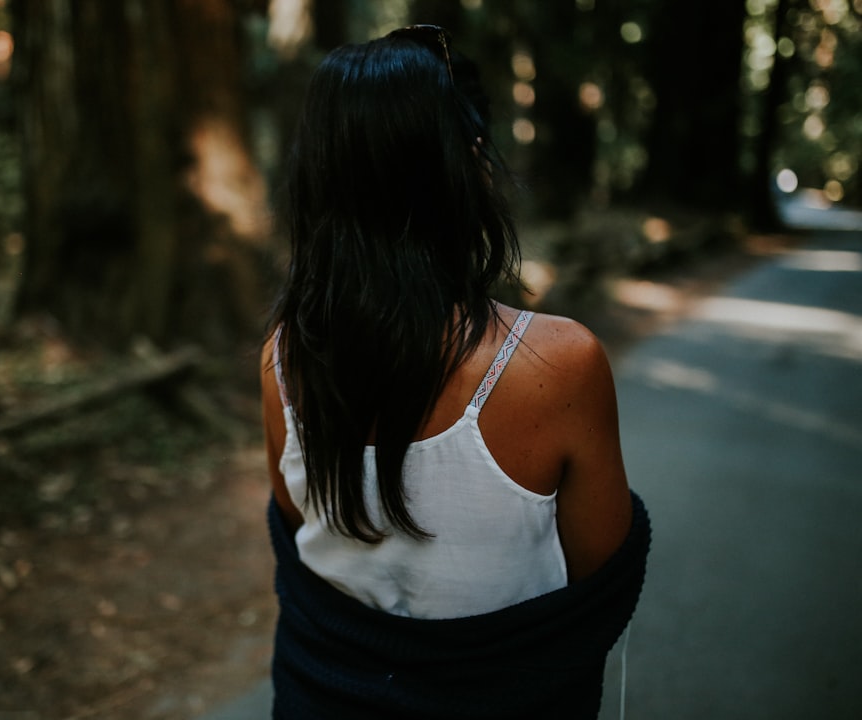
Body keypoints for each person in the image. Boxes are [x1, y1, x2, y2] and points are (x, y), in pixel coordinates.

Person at [260, 25, 650, 719]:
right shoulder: (557, 364)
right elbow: (598, 571)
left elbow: (297, 531)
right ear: (468, 165)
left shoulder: (285, 360)